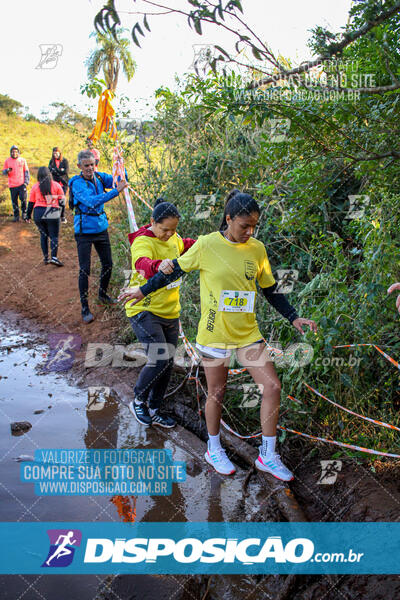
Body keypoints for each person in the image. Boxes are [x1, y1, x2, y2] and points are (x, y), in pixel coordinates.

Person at [119, 190, 317, 481]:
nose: (249, 231)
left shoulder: (257, 249)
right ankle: (213, 448)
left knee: (272, 387)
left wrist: (293, 317)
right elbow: (172, 272)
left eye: (254, 226)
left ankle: (268, 455)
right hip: (214, 335)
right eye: (244, 226)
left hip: (247, 333)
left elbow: (270, 289)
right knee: (217, 393)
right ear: (228, 219)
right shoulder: (206, 245)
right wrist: (141, 290)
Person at [124, 198, 196, 428]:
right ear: (153, 222)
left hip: (170, 311)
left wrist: (208, 244)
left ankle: (154, 408)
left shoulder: (174, 238)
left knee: (168, 361)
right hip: (143, 309)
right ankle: (138, 400)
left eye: (173, 229)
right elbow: (142, 263)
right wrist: (158, 265)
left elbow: (185, 243)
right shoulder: (143, 241)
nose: (169, 234)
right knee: (159, 358)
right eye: (164, 229)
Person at [70, 150, 128, 324]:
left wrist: (120, 165)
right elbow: (92, 201)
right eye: (86, 165)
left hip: (101, 228)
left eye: (92, 165)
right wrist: (116, 191)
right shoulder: (77, 183)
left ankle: (102, 294)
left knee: (108, 264)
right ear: (79, 166)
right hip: (83, 232)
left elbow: (120, 179)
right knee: (85, 269)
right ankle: (85, 307)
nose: (90, 168)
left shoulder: (100, 177)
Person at [26, 167, 65, 266]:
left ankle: (46, 258)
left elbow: (31, 203)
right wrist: (62, 215)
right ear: (50, 174)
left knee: (43, 235)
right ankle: (54, 258)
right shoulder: (56, 185)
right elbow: (62, 202)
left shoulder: (35, 187)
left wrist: (28, 216)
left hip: (38, 212)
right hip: (52, 210)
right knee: (54, 236)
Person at [2, 145, 30, 222]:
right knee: (14, 201)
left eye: (16, 152)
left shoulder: (22, 160)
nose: (14, 153)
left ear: (18, 152)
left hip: (21, 184)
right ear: (10, 152)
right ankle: (16, 216)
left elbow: (26, 172)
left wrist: (26, 183)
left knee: (23, 199)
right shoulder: (7, 161)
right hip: (12, 185)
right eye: (13, 152)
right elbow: (3, 172)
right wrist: (7, 170)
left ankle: (24, 214)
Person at [48, 147, 69, 223]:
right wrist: (59, 170)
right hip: (55, 183)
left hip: (63, 183)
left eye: (56, 153)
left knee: (62, 199)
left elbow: (65, 171)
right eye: (54, 153)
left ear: (60, 153)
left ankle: (62, 216)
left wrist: (56, 170)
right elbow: (49, 171)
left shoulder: (64, 161)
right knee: (54, 199)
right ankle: (53, 215)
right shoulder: (52, 161)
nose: (55, 155)